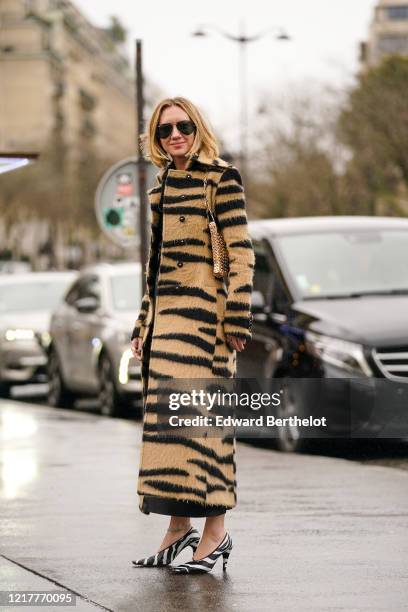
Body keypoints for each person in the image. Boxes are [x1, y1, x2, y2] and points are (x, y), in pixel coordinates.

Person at [130, 96, 255, 574]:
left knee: (208, 428)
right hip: (167, 329)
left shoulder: (221, 178)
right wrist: (143, 323)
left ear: (198, 128)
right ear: (156, 139)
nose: (175, 135)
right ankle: (177, 527)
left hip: (205, 325)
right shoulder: (161, 187)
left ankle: (216, 532)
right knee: (169, 430)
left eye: (183, 126)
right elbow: (155, 266)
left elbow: (240, 253)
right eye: (165, 131)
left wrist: (237, 316)